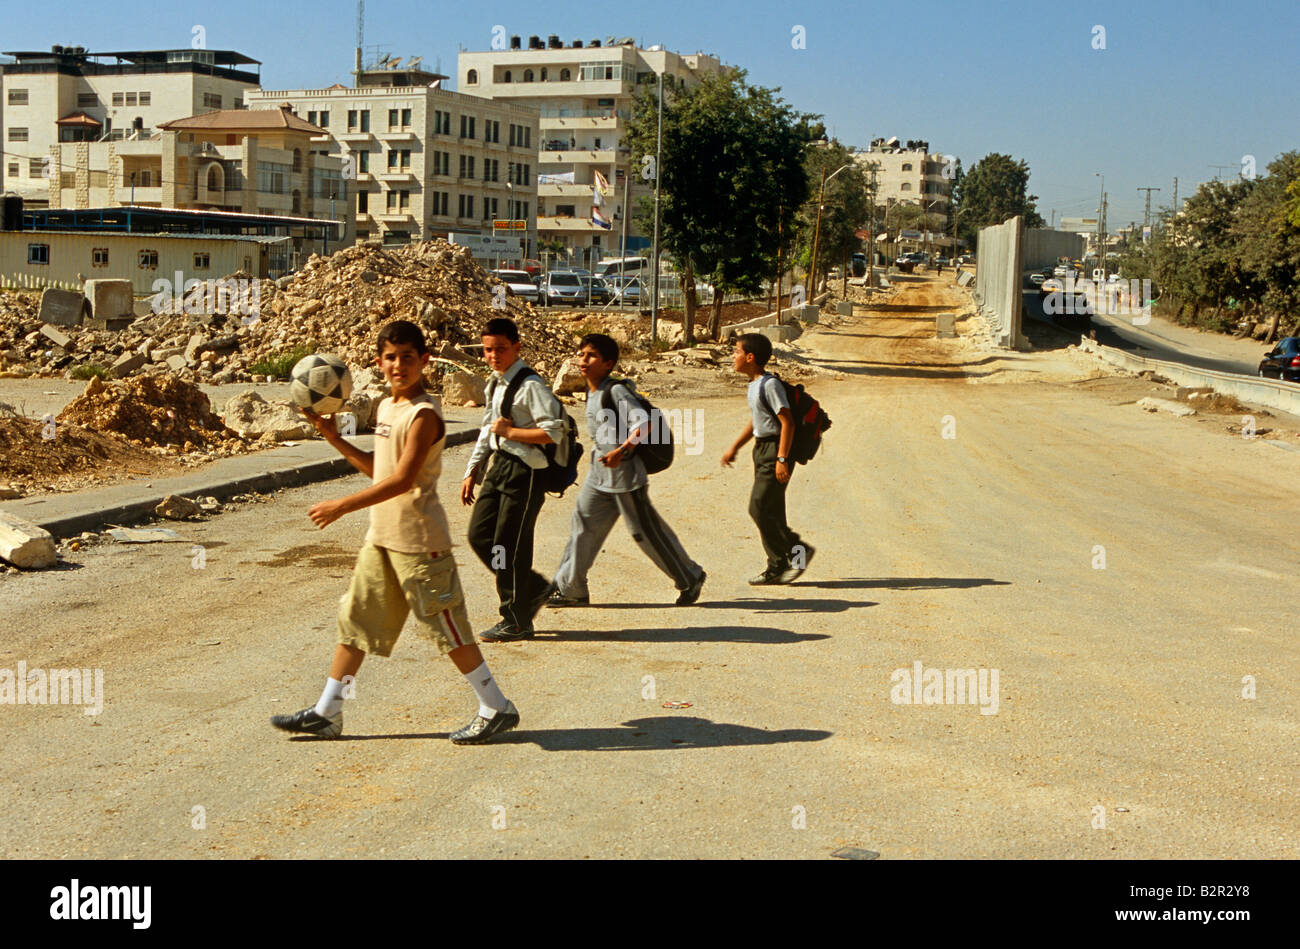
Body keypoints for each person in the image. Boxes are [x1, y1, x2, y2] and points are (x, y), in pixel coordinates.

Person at [272, 319, 519, 744]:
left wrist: (341, 505)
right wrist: (334, 438)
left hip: (420, 542)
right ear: (378, 363)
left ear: (424, 360)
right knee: (357, 622)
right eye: (391, 357)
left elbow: (404, 480)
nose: (399, 365)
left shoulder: (424, 415)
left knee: (448, 629)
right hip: (382, 539)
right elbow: (379, 470)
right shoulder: (387, 408)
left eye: (408, 357)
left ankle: (496, 706)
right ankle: (328, 712)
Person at [549, 333, 706, 608]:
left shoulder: (615, 391)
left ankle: (689, 577)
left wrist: (621, 452)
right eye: (582, 354)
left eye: (592, 355)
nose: (584, 360)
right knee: (582, 527)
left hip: (626, 478)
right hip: (598, 477)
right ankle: (571, 588)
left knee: (645, 533)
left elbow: (643, 424)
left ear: (608, 363)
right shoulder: (591, 390)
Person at [461, 317, 568, 642]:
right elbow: (486, 428)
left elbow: (554, 432)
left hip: (526, 472)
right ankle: (534, 588)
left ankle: (516, 619)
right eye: (488, 350)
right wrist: (473, 469)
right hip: (499, 467)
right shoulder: (495, 382)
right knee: (480, 536)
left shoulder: (530, 385)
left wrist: (511, 432)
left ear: (517, 348)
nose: (493, 356)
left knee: (509, 546)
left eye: (500, 350)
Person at [721, 332, 814, 585]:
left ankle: (795, 551)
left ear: (750, 357)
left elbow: (788, 422)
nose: (733, 356)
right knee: (772, 509)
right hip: (762, 449)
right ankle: (780, 566)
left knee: (759, 508)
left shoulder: (769, 385)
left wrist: (782, 459)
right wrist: (735, 447)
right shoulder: (754, 385)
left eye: (737, 352)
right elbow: (756, 422)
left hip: (775, 449)